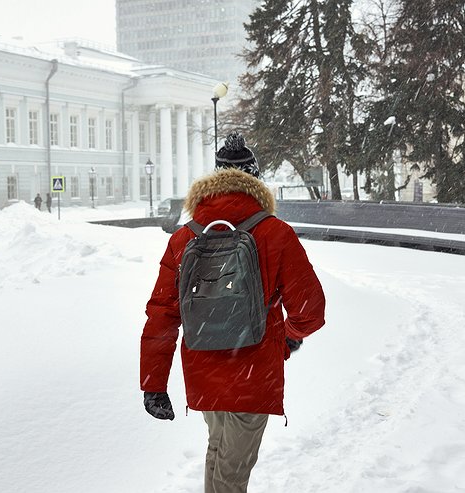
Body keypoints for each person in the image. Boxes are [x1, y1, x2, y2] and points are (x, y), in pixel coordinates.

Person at [139, 132, 326, 492]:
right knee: (232, 473)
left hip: (203, 371)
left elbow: (161, 314)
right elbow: (310, 311)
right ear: (255, 181)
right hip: (254, 373)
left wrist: (154, 384)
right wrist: (289, 336)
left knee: (219, 453)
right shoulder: (275, 233)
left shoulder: (184, 238)